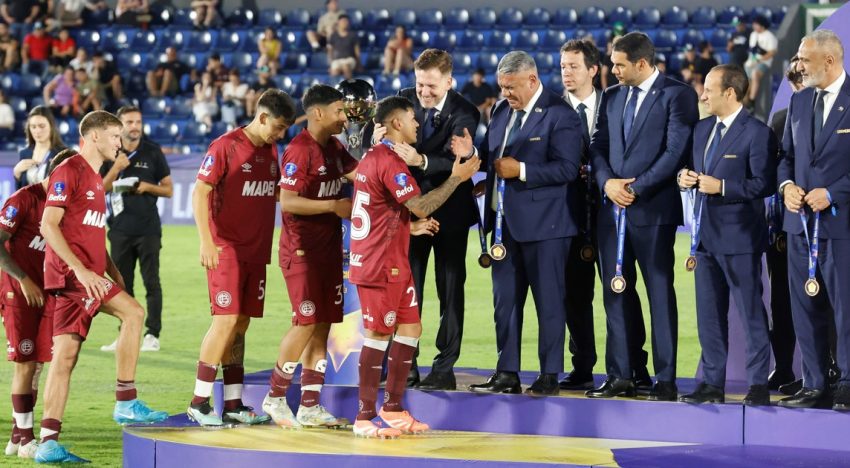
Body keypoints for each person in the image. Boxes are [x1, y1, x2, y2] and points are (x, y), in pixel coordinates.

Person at [35, 111, 168, 463]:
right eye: (114, 136)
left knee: (65, 357)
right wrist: (80, 271)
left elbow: (91, 231)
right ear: (94, 137)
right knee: (134, 313)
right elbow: (49, 225)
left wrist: (113, 271)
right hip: (73, 279)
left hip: (91, 277)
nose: (119, 143)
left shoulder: (95, 179)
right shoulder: (69, 170)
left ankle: (48, 441)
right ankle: (125, 401)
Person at [349, 95, 479, 437]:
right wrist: (456, 178)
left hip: (394, 258)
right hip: (379, 264)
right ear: (396, 124)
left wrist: (408, 227)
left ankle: (392, 408)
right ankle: (363, 416)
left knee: (410, 329)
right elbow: (420, 205)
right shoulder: (389, 160)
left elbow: (381, 208)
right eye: (411, 119)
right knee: (378, 336)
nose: (418, 124)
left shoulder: (376, 156)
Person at [456, 51, 583, 396]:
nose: (506, 94)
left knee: (549, 301)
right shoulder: (499, 110)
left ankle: (549, 374)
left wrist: (521, 171)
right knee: (505, 302)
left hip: (548, 228)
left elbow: (568, 169)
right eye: (502, 87)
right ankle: (506, 372)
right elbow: (493, 157)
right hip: (503, 227)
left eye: (511, 88)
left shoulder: (561, 114)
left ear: (532, 79)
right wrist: (477, 162)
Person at [587, 32, 698, 401]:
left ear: (642, 63)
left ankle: (665, 378)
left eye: (619, 64)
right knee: (615, 292)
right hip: (612, 210)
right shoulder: (612, 96)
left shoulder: (677, 94)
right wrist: (607, 184)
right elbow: (598, 146)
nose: (613, 70)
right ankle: (623, 374)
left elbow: (675, 151)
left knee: (659, 294)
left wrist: (635, 188)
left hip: (653, 211)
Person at [367, 49, 477, 391]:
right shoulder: (399, 101)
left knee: (450, 288)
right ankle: (406, 365)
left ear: (448, 81)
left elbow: (457, 158)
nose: (423, 92)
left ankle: (444, 367)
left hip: (451, 214)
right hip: (407, 211)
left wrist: (422, 159)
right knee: (405, 287)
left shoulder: (465, 111)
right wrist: (376, 140)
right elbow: (380, 143)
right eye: (419, 84)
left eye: (431, 85)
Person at [186, 89, 296, 426]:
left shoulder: (270, 149)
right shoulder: (225, 146)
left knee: (241, 325)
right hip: (226, 248)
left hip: (255, 250)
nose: (280, 134)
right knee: (226, 320)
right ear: (262, 117)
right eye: (277, 127)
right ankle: (199, 402)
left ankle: (233, 404)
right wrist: (206, 241)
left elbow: (274, 192)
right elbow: (200, 191)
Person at [259, 85, 358, 428]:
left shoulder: (335, 147)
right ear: (318, 113)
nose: (344, 118)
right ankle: (274, 396)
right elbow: (287, 201)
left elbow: (361, 175)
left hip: (328, 250)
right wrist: (333, 205)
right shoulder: (300, 150)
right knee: (305, 321)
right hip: (302, 251)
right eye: (339, 111)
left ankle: (311, 405)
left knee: (322, 326)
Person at [676, 64, 776, 406]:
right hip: (703, 238)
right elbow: (690, 169)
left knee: (751, 314)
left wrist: (723, 187)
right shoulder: (702, 130)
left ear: (730, 93)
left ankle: (758, 383)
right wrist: (684, 178)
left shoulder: (758, 133)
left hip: (741, 239)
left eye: (709, 89)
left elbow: (764, 184)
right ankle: (712, 384)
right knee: (709, 316)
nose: (702, 95)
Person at [776, 30, 850, 411]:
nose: (799, 65)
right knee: (805, 305)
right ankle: (815, 382)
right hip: (800, 225)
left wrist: (834, 192)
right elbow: (786, 157)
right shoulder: (800, 102)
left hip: (841, 226)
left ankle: (848, 384)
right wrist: (787, 184)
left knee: (846, 306)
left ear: (830, 61)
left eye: (805, 59)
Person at [0, 148, 75, 459]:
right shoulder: (24, 199)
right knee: (25, 362)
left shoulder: (66, 205)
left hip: (47, 292)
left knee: (39, 364)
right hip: (18, 290)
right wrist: (23, 279)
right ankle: (28, 438)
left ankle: (19, 434)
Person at [99, 106, 172, 353]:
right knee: (121, 285)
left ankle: (152, 335)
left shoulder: (152, 151)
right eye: (129, 121)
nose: (135, 126)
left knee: (152, 282)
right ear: (119, 125)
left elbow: (169, 189)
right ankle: (124, 334)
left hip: (148, 229)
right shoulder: (111, 153)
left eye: (138, 121)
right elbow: (99, 190)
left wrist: (146, 187)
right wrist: (116, 168)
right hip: (119, 231)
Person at [558, 39, 604, 391]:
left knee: (622, 291)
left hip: (612, 212)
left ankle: (632, 366)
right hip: (567, 215)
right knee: (575, 294)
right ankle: (582, 365)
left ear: (593, 69)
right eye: (563, 67)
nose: (567, 73)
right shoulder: (551, 109)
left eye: (574, 66)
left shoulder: (615, 104)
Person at [765, 57, 804, 391]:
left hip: (827, 224)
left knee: (825, 299)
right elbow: (770, 173)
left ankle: (829, 371)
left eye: (804, 74)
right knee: (782, 298)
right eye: (795, 76)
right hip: (783, 225)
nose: (800, 81)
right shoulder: (779, 120)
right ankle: (783, 367)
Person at [15, 106, 66, 190]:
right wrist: (16, 174)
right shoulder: (24, 153)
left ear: (51, 126)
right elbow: (19, 194)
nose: (37, 131)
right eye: (33, 127)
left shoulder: (63, 154)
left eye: (42, 126)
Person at [744, 16, 777, 109]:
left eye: (756, 24)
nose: (754, 26)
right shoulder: (753, 35)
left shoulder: (770, 36)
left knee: (755, 74)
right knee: (745, 81)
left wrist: (759, 60)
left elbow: (772, 52)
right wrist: (751, 61)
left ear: (762, 25)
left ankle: (752, 100)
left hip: (764, 63)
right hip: (751, 62)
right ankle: (745, 103)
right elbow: (752, 50)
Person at [327, 15, 359, 80]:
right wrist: (330, 64)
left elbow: (357, 50)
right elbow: (330, 51)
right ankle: (334, 88)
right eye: (343, 21)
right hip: (337, 60)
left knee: (346, 66)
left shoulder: (353, 35)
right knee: (335, 71)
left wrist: (358, 63)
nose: (345, 23)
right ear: (338, 22)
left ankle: (349, 87)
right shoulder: (333, 36)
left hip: (350, 59)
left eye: (346, 21)